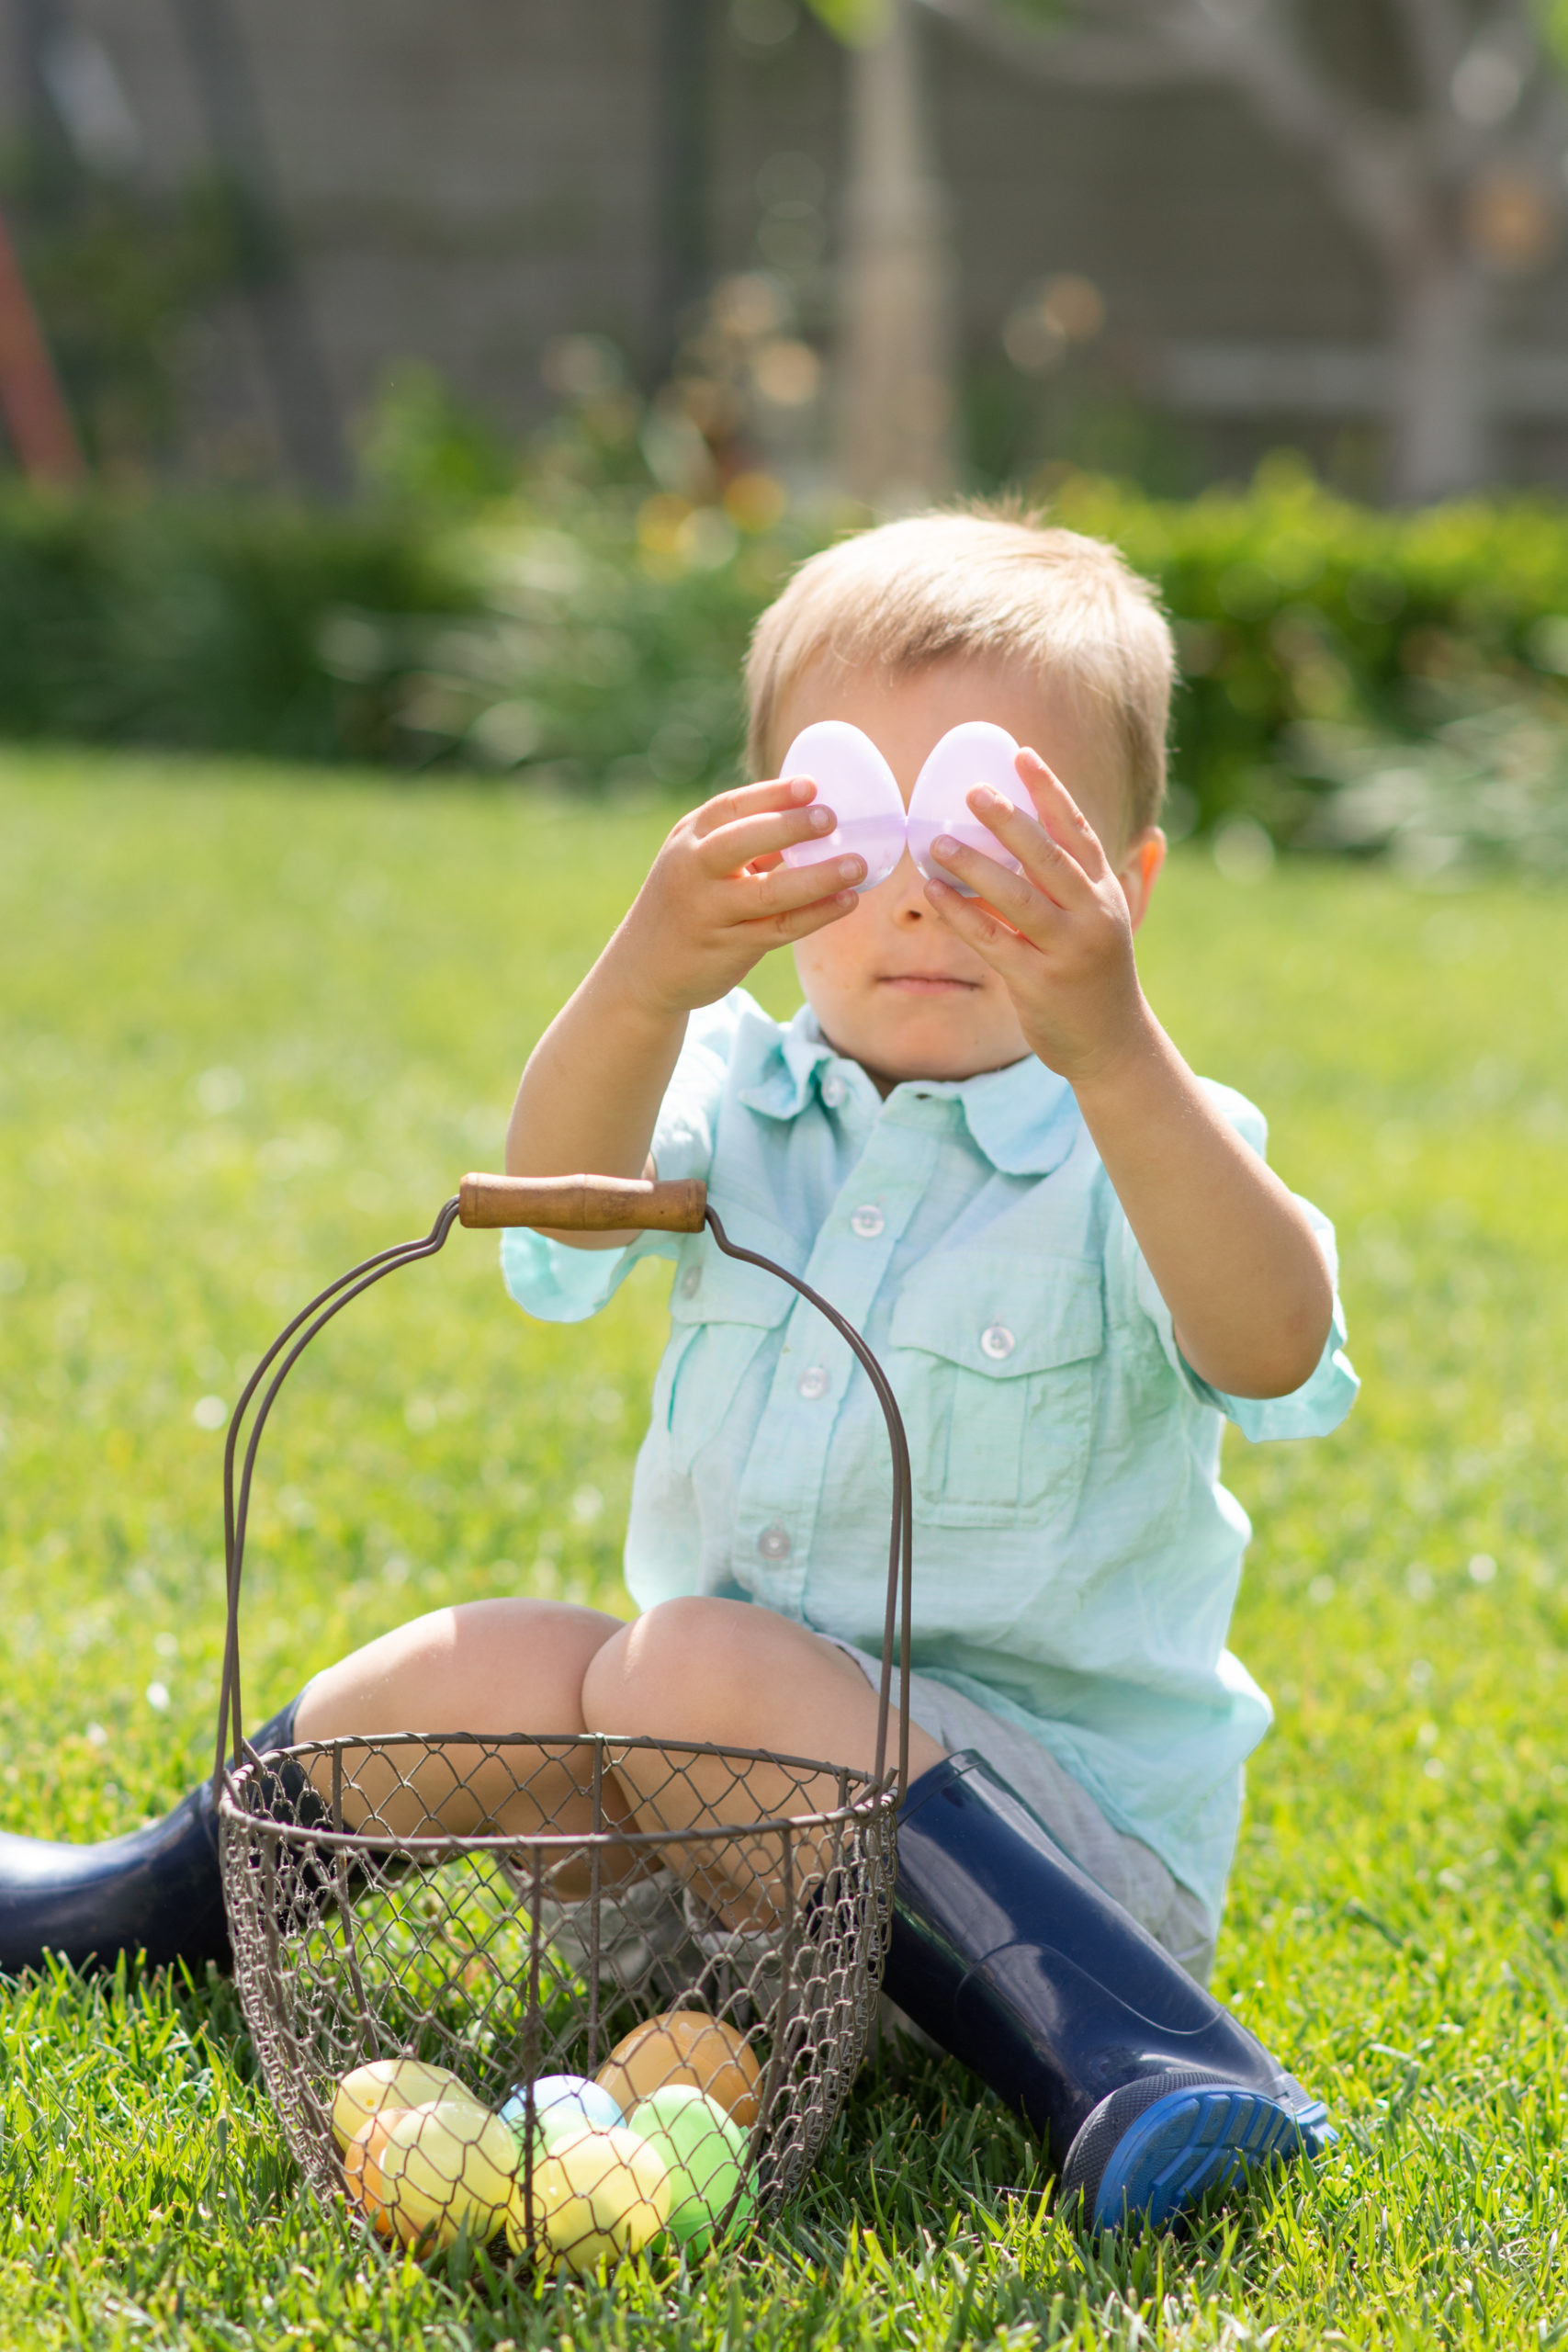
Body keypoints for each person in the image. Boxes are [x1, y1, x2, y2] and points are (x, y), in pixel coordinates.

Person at [0, 509, 1357, 2233]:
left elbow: (1277, 1344)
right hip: (713, 1836)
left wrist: (1121, 1050)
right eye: (866, 829)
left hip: (1046, 1890)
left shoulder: (1145, 1138)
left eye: (997, 835)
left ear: (1129, 885)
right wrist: (647, 973)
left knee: (696, 1664)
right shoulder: (736, 1085)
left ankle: (1146, 2062)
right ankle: (136, 1900)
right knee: (504, 1659)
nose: (928, 893)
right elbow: (557, 1237)